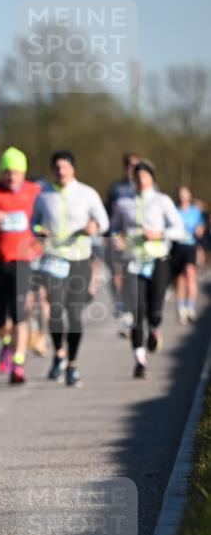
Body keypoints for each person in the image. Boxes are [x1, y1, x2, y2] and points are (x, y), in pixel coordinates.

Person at [31, 150, 109, 387]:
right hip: (53, 259)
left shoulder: (87, 193)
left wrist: (93, 227)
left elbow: (104, 222)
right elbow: (32, 222)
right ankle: (59, 354)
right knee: (55, 310)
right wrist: (38, 230)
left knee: (74, 313)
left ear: (73, 168)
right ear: (53, 170)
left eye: (65, 167)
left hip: (79, 260)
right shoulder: (44, 196)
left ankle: (72, 364)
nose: (61, 172)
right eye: (57, 168)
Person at [0, 147, 41, 384]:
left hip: (23, 261)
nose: (12, 177)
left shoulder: (35, 192)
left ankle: (18, 363)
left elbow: (45, 218)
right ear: (2, 172)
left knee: (20, 314)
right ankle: (5, 343)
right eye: (8, 172)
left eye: (16, 172)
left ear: (24, 173)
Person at [111, 161, 184, 377]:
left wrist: (159, 235)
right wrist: (117, 239)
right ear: (132, 178)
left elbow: (179, 229)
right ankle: (139, 360)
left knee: (154, 311)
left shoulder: (162, 201)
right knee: (136, 311)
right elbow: (114, 228)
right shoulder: (123, 203)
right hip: (133, 262)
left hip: (158, 260)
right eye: (138, 176)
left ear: (152, 178)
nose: (141, 179)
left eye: (145, 176)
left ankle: (154, 329)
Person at [106, 153, 140, 327]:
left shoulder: (147, 187)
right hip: (117, 237)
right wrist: (109, 235)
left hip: (138, 241)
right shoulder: (116, 188)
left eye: (135, 165)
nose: (131, 168)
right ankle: (119, 301)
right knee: (116, 273)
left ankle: (130, 308)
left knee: (131, 275)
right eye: (129, 164)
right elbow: (108, 213)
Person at [171, 186, 204, 323]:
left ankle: (190, 307)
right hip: (177, 246)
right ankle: (180, 308)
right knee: (180, 279)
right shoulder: (174, 210)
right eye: (180, 194)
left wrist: (198, 230)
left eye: (185, 194)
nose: (182, 197)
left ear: (189, 196)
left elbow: (200, 229)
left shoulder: (195, 211)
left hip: (190, 246)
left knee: (190, 274)